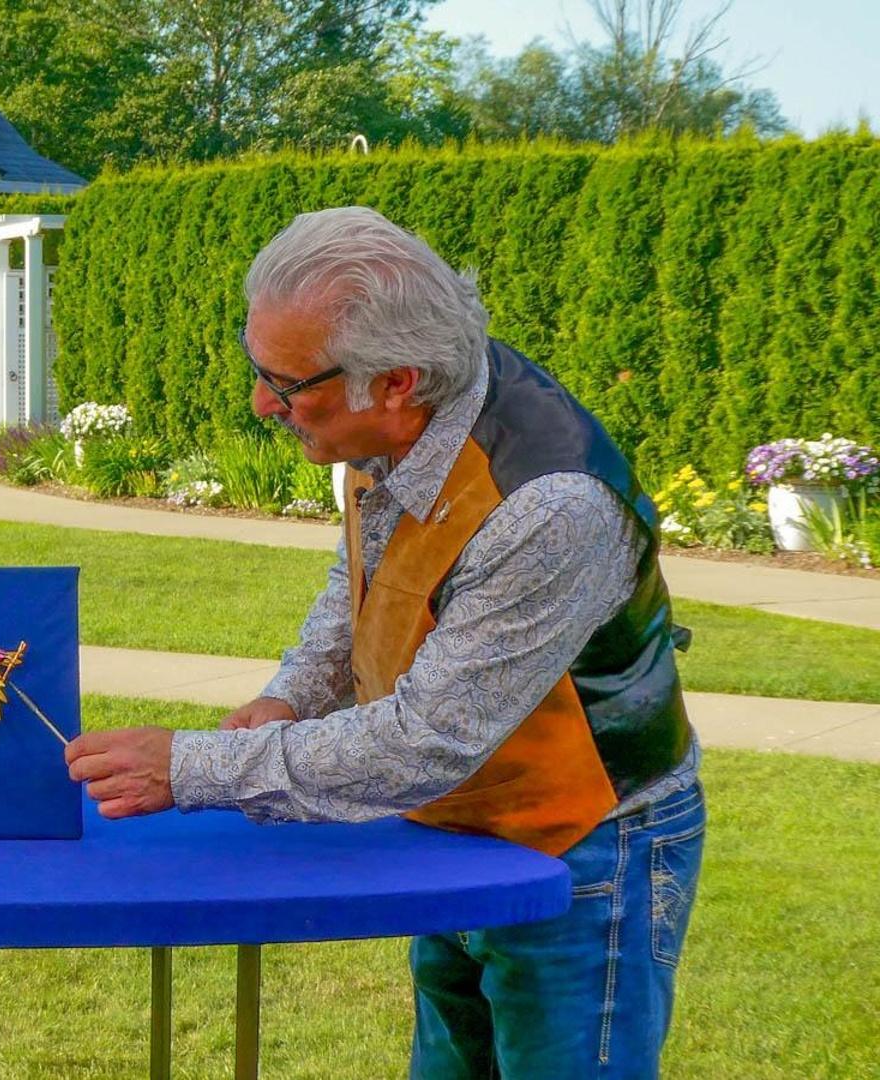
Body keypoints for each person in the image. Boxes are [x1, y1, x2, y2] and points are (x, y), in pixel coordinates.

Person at [64, 206, 704, 1079]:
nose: (264, 403)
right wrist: (293, 695)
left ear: (398, 382)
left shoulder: (550, 506)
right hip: (457, 822)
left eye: (287, 385)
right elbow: (362, 581)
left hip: (588, 847)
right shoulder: (396, 421)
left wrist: (189, 767)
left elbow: (424, 740)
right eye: (260, 369)